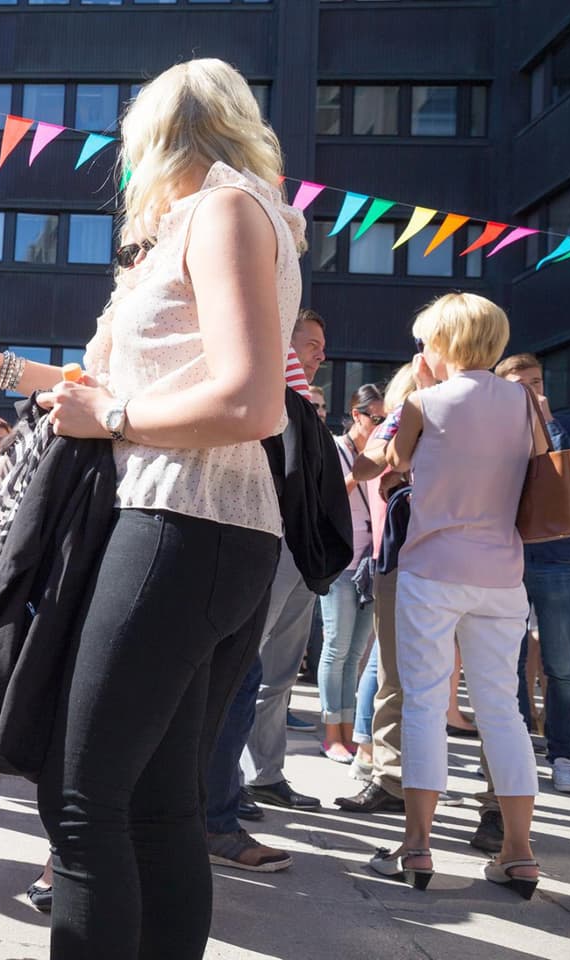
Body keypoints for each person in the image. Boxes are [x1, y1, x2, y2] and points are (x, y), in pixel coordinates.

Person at [0, 57, 299, 959]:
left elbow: (253, 402)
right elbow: (116, 383)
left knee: (82, 799)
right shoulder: (230, 216)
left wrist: (118, 418)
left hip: (181, 524)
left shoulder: (220, 210)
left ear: (157, 138)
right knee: (156, 803)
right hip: (207, 533)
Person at [369, 293, 540, 900]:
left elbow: (383, 465)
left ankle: (417, 845)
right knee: (503, 709)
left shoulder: (422, 401)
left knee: (422, 704)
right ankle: (518, 853)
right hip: (502, 573)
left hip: (432, 568)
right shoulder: (526, 401)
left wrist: (410, 399)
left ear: (441, 344)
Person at [241, 307, 332, 812]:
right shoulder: (267, 394)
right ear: (286, 341)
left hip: (301, 551)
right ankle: (224, 781)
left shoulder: (305, 406)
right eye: (312, 344)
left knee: (279, 673)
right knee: (243, 667)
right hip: (265, 542)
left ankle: (265, 773)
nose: (321, 355)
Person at [495, 352, 570, 795]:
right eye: (521, 384)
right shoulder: (493, 431)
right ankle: (513, 754)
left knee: (562, 664)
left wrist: (547, 421)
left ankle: (563, 755)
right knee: (507, 662)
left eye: (536, 381)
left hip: (558, 557)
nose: (532, 390)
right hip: (506, 555)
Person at [338, 365, 415, 812]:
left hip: (424, 563)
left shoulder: (505, 406)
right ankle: (379, 769)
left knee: (387, 673)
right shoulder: (405, 416)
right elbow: (366, 469)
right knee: (379, 669)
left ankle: (383, 769)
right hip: (391, 558)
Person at [318, 384, 383, 763]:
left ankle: (348, 729)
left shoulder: (380, 450)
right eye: (376, 418)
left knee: (356, 651)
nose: (381, 424)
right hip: (341, 560)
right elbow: (324, 500)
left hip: (370, 563)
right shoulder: (335, 449)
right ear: (357, 416)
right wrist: (360, 472)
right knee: (336, 648)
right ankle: (332, 733)